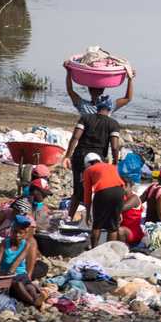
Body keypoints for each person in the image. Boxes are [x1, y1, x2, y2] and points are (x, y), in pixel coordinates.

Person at [63, 95, 122, 227]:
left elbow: (75, 137)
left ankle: (69, 218)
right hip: (97, 160)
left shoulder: (85, 118)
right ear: (109, 108)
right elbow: (114, 146)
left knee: (78, 190)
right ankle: (95, 219)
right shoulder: (113, 124)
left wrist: (67, 155)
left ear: (98, 107)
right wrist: (115, 163)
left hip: (79, 157)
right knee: (96, 189)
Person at [0, 215, 43, 308]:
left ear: (25, 234)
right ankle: (33, 302)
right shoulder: (5, 243)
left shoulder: (26, 244)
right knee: (18, 284)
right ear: (11, 231)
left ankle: (37, 298)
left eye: (20, 233)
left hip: (20, 274)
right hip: (6, 275)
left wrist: (12, 272)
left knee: (29, 287)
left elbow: (18, 260)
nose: (17, 235)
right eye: (15, 232)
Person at [81, 153, 125, 247]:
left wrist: (88, 213)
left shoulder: (88, 170)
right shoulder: (112, 167)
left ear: (88, 164)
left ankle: (94, 249)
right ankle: (109, 251)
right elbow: (121, 185)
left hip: (103, 192)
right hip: (119, 192)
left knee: (97, 224)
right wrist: (119, 211)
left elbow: (87, 193)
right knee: (113, 227)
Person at [66, 64, 134, 117]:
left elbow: (70, 90)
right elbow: (128, 98)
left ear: (89, 90)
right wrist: (130, 79)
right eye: (97, 90)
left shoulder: (84, 105)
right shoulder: (108, 106)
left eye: (98, 90)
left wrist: (69, 72)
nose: (97, 92)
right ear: (103, 90)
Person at [115, 180, 146, 247]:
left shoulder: (134, 198)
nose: (122, 187)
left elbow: (122, 208)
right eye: (121, 185)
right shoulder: (121, 197)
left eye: (125, 185)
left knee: (120, 231)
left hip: (133, 232)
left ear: (130, 186)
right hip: (124, 229)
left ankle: (123, 250)